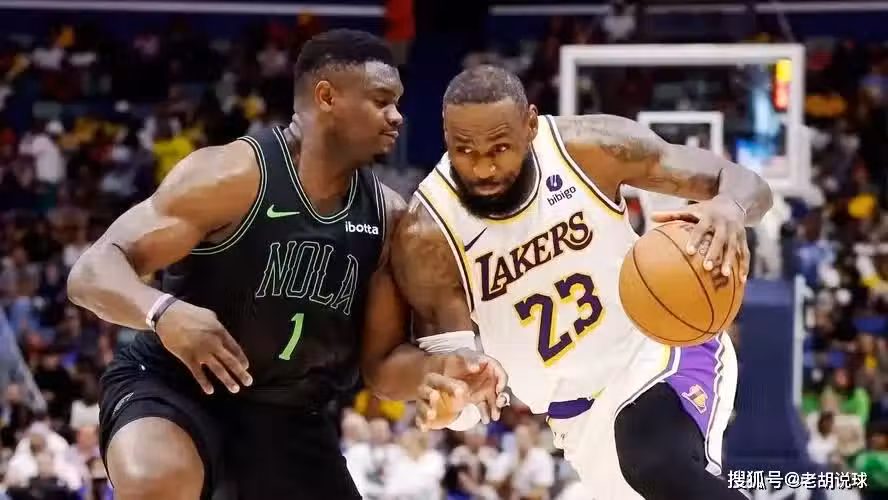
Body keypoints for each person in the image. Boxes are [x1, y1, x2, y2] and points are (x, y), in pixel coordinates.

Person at [67, 30, 502, 500]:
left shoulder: (387, 216)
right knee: (159, 481)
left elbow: (380, 367)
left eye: (396, 102)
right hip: (175, 386)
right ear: (327, 97)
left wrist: (435, 371)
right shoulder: (233, 176)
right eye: (381, 101)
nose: (397, 115)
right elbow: (91, 272)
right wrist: (162, 312)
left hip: (288, 415)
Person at [391, 65, 774, 500]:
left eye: (500, 147)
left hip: (659, 353)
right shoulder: (428, 230)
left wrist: (730, 206)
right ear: (444, 136)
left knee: (653, 461)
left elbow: (750, 186)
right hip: (575, 422)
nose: (483, 166)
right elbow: (458, 381)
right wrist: (452, 402)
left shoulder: (590, 149)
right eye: (464, 149)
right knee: (647, 464)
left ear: (531, 124)